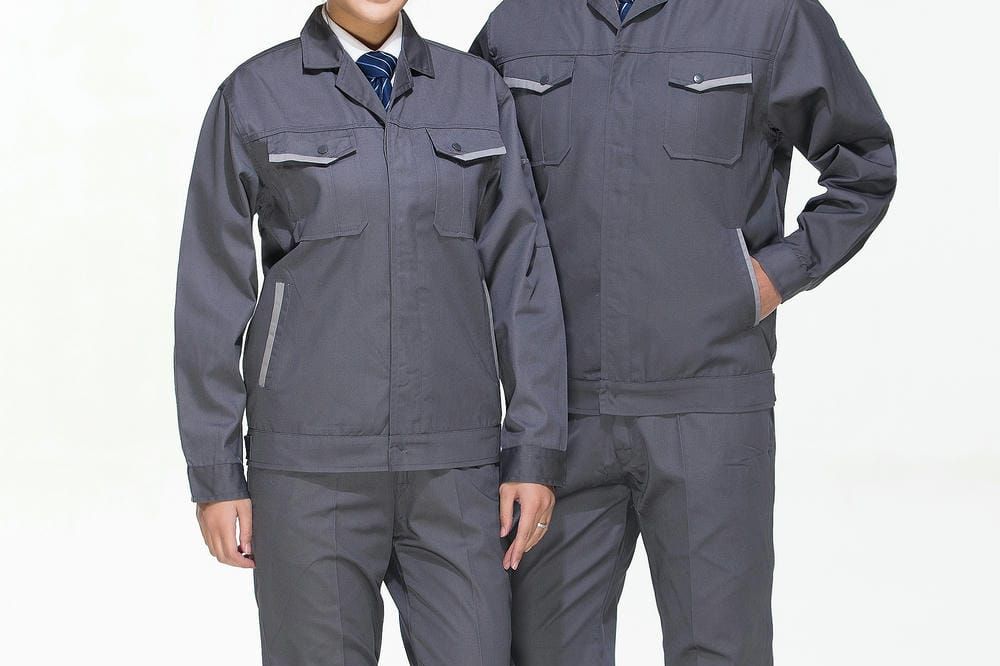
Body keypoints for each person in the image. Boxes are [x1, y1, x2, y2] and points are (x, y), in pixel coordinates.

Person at [471, 0, 896, 663]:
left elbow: (864, 167)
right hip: (557, 415)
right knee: (541, 652)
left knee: (722, 650)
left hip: (710, 406)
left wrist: (768, 278)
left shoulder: (769, 17)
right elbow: (467, 189)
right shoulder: (521, 24)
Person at [174, 2, 568, 664]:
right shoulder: (256, 93)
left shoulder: (476, 91)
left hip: (456, 466)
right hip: (308, 469)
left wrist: (534, 448)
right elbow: (210, 292)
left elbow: (522, 276)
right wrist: (217, 474)